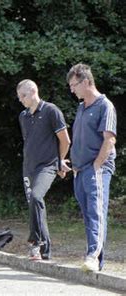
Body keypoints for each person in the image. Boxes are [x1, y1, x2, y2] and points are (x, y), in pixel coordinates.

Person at [67, 63, 117, 272]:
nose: (72, 89)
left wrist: (97, 166)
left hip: (96, 168)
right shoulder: (81, 107)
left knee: (96, 212)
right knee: (88, 214)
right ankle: (97, 260)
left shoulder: (105, 106)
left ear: (86, 82)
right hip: (80, 170)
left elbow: (109, 139)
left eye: (74, 85)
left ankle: (92, 257)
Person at [17, 79, 71, 261]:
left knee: (37, 197)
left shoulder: (51, 111)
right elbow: (30, 142)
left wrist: (60, 161)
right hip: (28, 167)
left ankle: (34, 243)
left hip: (48, 165)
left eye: (23, 96)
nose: (21, 100)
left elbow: (65, 141)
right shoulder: (23, 116)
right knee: (35, 206)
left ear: (33, 92)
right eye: (19, 97)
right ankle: (45, 252)